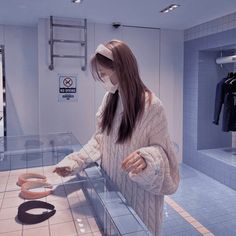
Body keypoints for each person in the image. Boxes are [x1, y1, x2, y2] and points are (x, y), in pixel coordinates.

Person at [53, 39, 180, 236]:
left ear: (121, 69)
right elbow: (100, 139)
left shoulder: (152, 106)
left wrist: (147, 158)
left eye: (104, 74)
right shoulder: (110, 99)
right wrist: (74, 161)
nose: (102, 80)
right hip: (112, 192)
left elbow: (165, 152)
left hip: (141, 198)